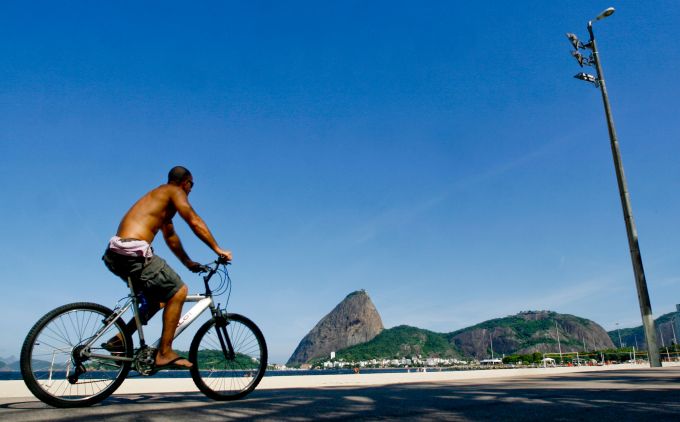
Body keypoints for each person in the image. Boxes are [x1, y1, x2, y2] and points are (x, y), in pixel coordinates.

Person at [102, 166, 232, 369]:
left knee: (159, 301)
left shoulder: (160, 201)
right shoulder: (174, 191)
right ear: (185, 182)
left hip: (115, 255)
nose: (191, 190)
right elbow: (194, 221)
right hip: (133, 252)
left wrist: (188, 262)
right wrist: (218, 249)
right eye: (192, 185)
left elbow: (171, 238)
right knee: (179, 291)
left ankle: (120, 340)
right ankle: (164, 353)